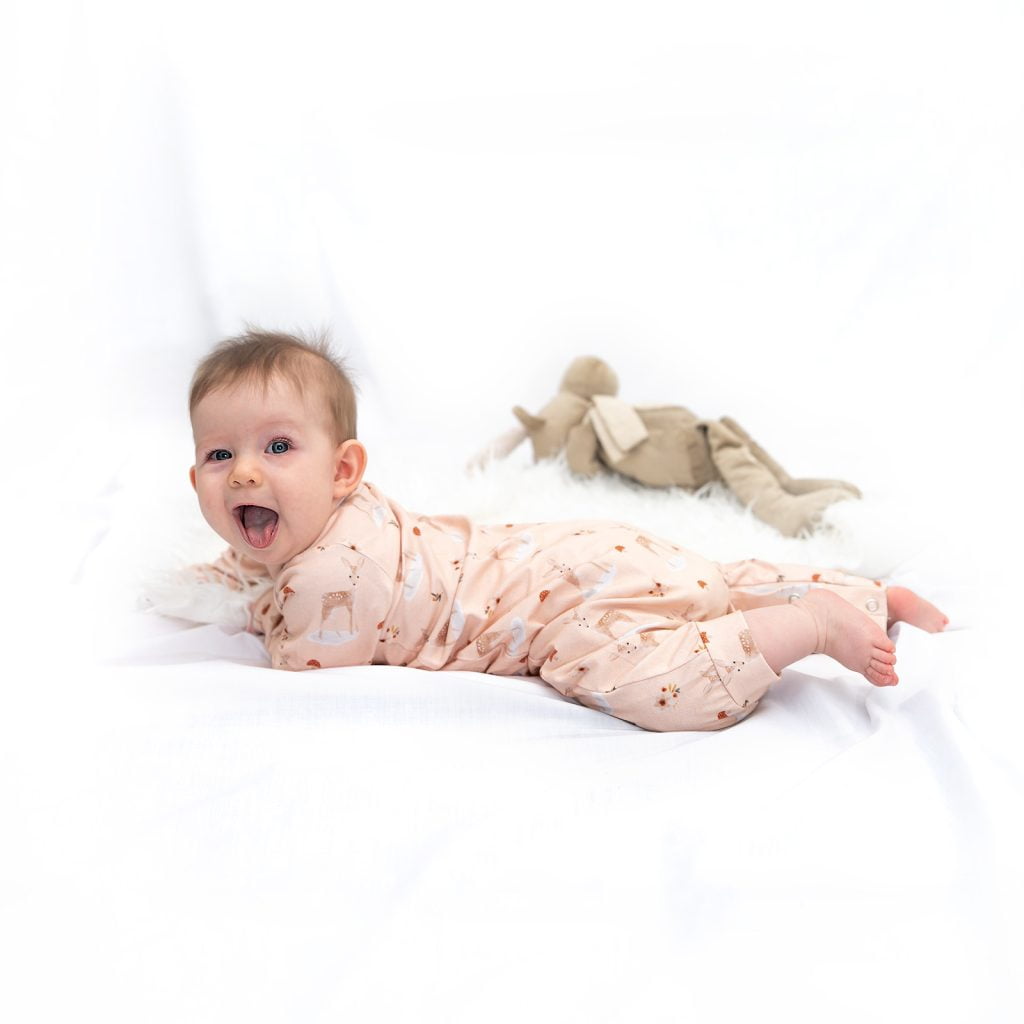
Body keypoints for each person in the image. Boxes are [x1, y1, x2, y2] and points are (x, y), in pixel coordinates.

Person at [187, 329, 949, 732]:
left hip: (560, 608)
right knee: (708, 583)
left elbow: (303, 669)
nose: (245, 474)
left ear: (344, 469)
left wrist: (255, 607)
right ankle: (873, 597)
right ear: (196, 482)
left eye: (277, 448)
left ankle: (809, 625)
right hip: (573, 550)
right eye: (220, 456)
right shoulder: (342, 514)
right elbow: (249, 565)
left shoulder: (327, 577)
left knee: (648, 680)